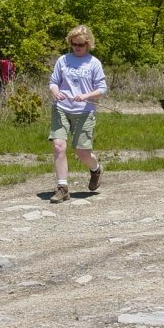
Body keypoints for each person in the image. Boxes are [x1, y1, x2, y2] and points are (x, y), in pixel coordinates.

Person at [48, 25, 108, 203]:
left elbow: (102, 89)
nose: (77, 47)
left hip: (84, 111)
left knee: (82, 152)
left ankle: (95, 169)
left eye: (80, 44)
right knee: (59, 146)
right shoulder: (63, 60)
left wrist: (86, 96)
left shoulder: (93, 63)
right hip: (61, 108)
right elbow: (53, 82)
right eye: (73, 44)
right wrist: (55, 92)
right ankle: (62, 188)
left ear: (88, 44)